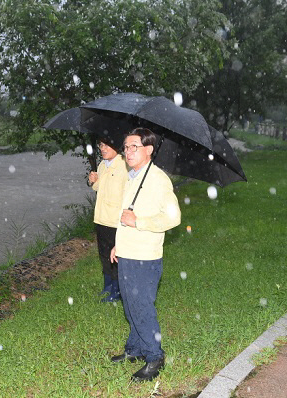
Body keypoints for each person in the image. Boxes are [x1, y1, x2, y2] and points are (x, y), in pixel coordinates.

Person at [109, 127, 181, 382]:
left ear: (149, 150)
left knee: (141, 307)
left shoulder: (158, 180)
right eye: (126, 147)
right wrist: (120, 244)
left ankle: (154, 356)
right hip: (129, 253)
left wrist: (138, 222)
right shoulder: (133, 177)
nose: (128, 151)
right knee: (130, 306)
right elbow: (124, 219)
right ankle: (136, 349)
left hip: (145, 258)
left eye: (134, 147)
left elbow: (173, 218)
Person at [88, 139, 128, 302]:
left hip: (115, 221)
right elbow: (98, 187)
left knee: (115, 257)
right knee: (104, 254)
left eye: (106, 145)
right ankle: (108, 285)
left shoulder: (124, 166)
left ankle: (117, 291)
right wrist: (93, 180)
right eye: (101, 146)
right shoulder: (103, 164)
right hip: (101, 218)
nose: (103, 149)